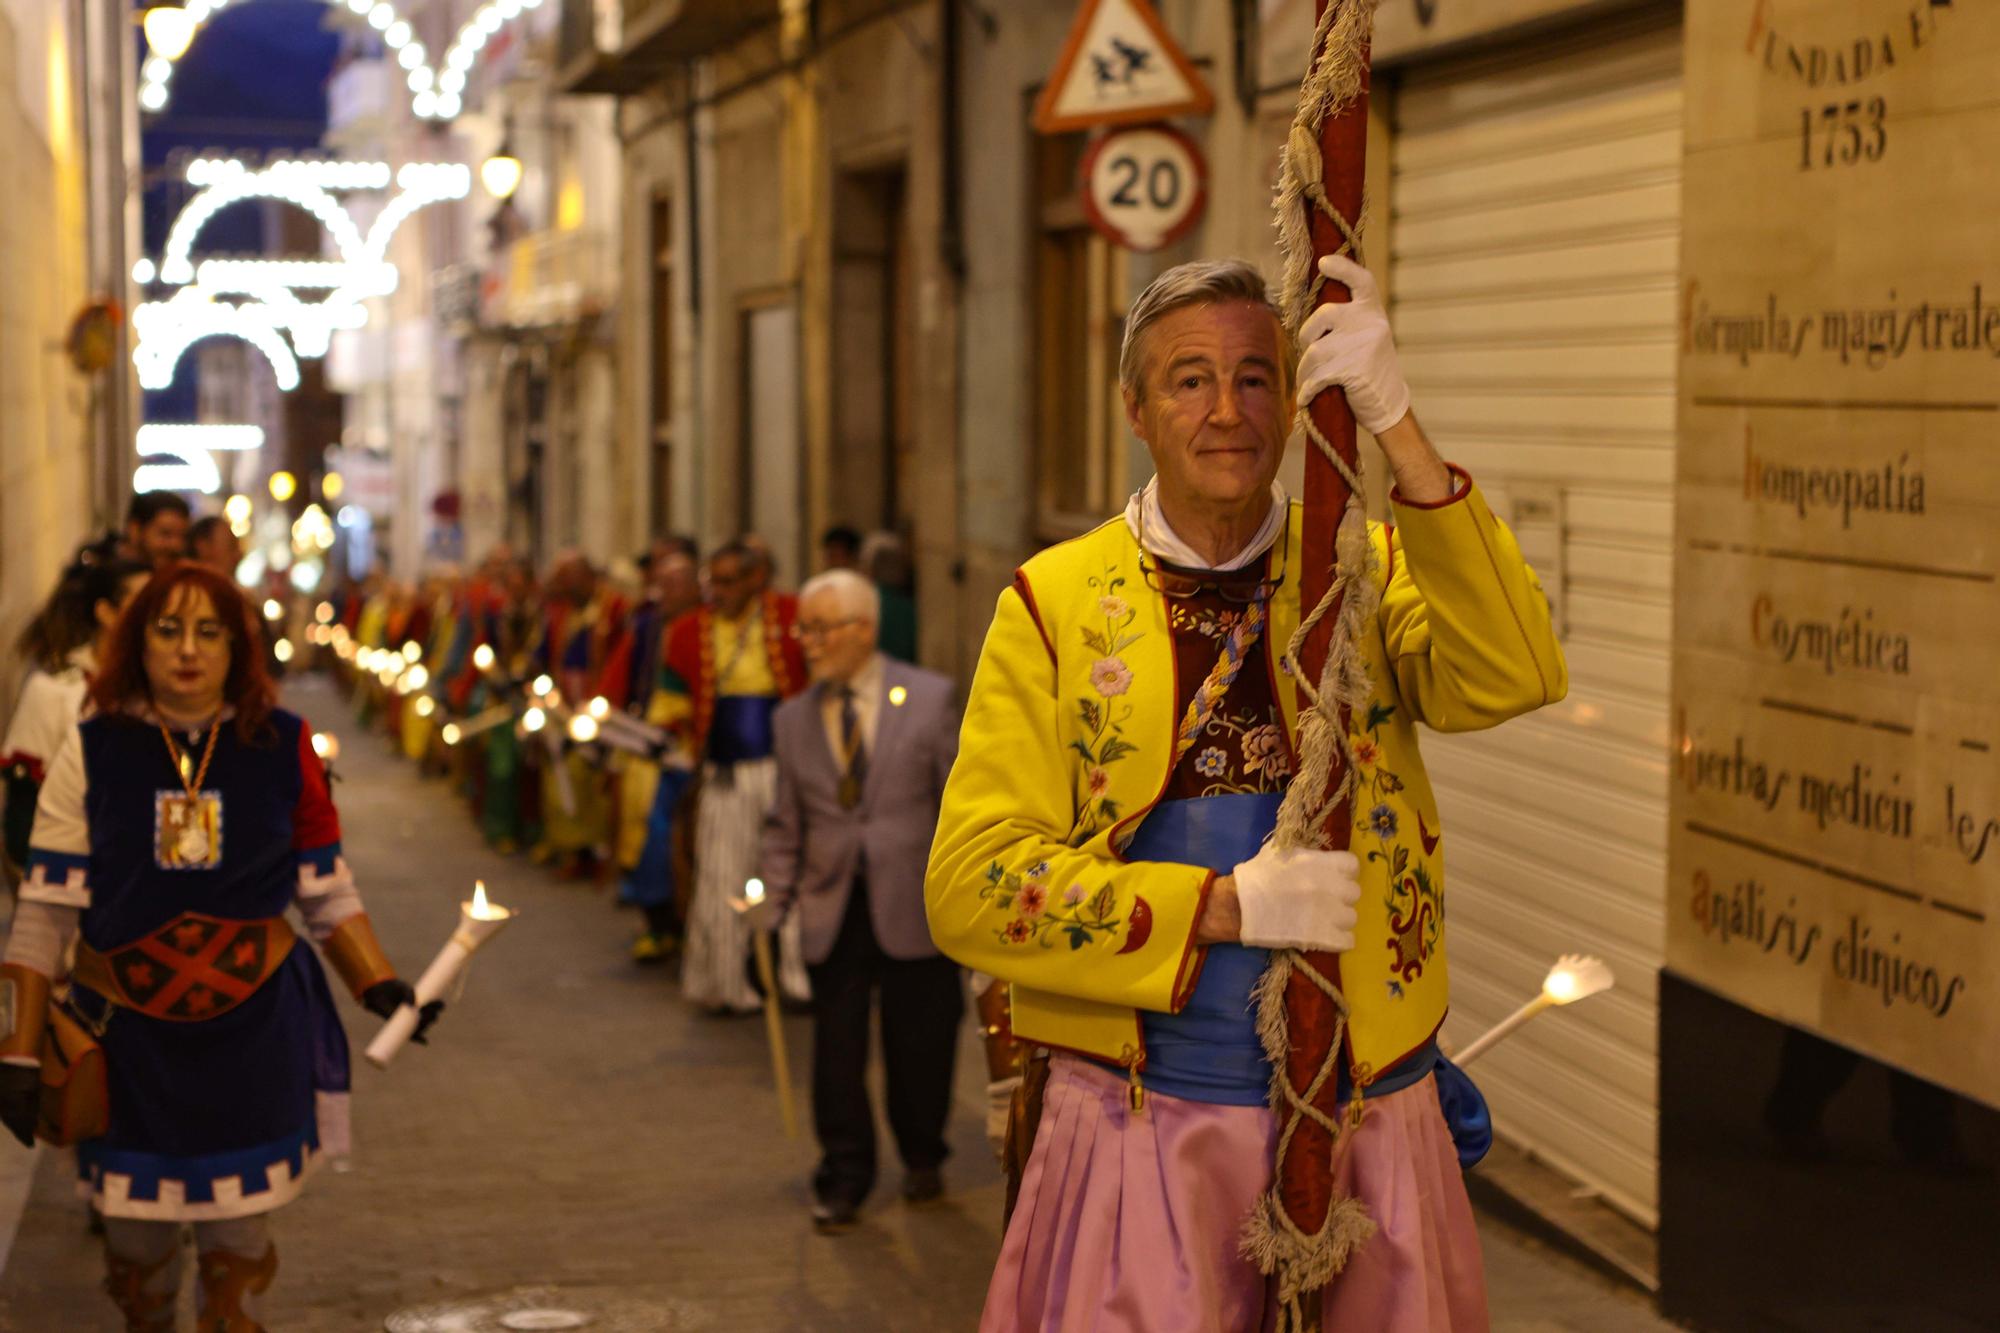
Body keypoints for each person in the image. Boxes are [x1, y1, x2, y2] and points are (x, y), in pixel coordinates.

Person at [926, 257, 1567, 1331]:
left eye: (1256, 378)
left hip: (1366, 1114)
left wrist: (1399, 429)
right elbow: (970, 886)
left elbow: (1513, 670)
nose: (1225, 411)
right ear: (1133, 409)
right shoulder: (1053, 601)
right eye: (1187, 381)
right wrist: (1222, 908)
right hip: (1142, 1133)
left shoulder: (1357, 573)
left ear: (1297, 400)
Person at [0, 563, 441, 1331]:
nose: (188, 651)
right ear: (138, 643)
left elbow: (325, 889)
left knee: (239, 1250)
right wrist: (19, 1049)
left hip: (252, 1036)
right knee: (136, 1252)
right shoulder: (92, 748)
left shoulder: (285, 745)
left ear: (239, 647)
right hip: (128, 1041)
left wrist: (380, 984)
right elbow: (44, 911)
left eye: (210, 631)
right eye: (168, 629)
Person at [750, 569, 963, 1230]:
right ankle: (844, 1173)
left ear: (863, 629)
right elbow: (787, 823)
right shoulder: (792, 719)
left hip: (914, 902)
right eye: (803, 629)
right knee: (836, 1053)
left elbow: (957, 804)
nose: (806, 642)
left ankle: (923, 1152)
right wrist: (765, 910)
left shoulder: (929, 698)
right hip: (831, 903)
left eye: (820, 628)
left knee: (921, 1044)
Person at [654, 540, 811, 1012]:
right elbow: (670, 703)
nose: (716, 592)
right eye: (711, 581)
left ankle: (799, 979)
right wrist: (672, 740)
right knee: (723, 872)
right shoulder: (685, 633)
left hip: (787, 767)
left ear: (755, 578)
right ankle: (722, 983)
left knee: (797, 873)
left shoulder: (792, 614)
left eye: (727, 582)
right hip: (724, 770)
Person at [2, 545, 154, 877]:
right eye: (142, 605)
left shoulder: (168, 693)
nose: (154, 618)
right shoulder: (55, 692)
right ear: (106, 613)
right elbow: (21, 828)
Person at [121, 493, 192, 570]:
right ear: (135, 529)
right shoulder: (110, 576)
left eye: (183, 536)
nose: (177, 545)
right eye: (166, 533)